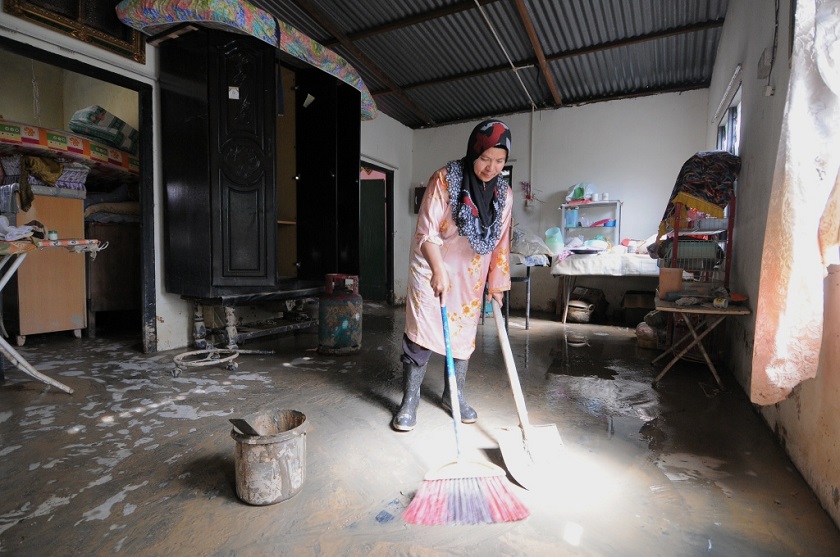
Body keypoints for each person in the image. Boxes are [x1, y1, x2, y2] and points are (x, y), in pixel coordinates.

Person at [393, 119, 513, 432]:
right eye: (485, 158)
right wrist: (437, 270)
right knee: (421, 331)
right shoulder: (445, 179)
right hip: (431, 263)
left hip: (471, 273)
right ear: (474, 151)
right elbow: (426, 232)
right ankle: (409, 400)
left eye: (499, 161)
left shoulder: (504, 193)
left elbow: (501, 241)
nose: (491, 167)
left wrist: (497, 284)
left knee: (461, 334)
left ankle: (454, 396)